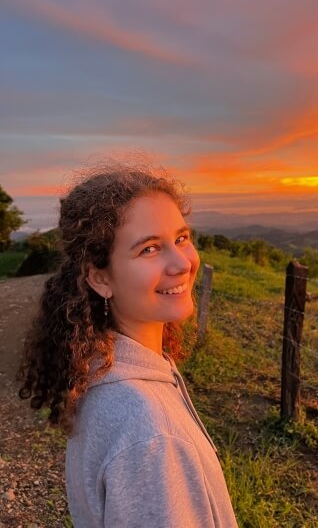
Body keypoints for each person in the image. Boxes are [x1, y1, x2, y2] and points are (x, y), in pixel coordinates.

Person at [17, 163, 238, 527]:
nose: (181, 263)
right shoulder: (148, 431)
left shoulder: (104, 367)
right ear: (101, 278)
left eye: (181, 238)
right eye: (150, 249)